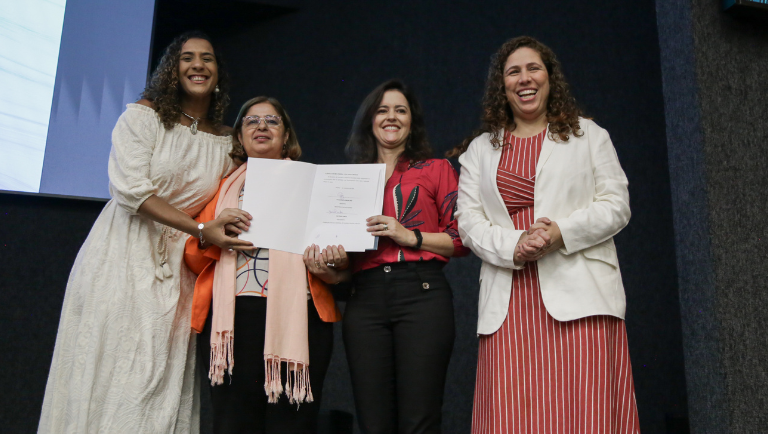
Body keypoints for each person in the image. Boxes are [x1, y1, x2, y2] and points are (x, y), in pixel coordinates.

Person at [38, 31, 248, 433]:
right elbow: (131, 190)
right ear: (172, 69)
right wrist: (201, 229)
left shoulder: (225, 141)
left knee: (157, 375)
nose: (198, 65)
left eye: (207, 58)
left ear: (218, 73)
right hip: (121, 253)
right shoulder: (142, 116)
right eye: (187, 58)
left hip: (176, 268)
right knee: (110, 365)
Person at [449, 35, 640, 433]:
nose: (524, 78)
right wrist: (515, 245)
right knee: (511, 415)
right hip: (509, 301)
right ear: (501, 86)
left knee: (584, 414)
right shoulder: (481, 150)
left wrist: (561, 233)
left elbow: (616, 205)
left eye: (533, 68)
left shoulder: (589, 135)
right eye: (513, 71)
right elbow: (467, 220)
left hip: (582, 296)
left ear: (550, 78)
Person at [305, 79, 470, 434]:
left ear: (412, 121)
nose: (391, 117)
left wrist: (409, 235)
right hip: (364, 302)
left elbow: (462, 239)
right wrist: (332, 269)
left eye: (400, 110)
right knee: (373, 422)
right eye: (382, 110)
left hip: (422, 296)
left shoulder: (437, 169)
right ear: (369, 120)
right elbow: (347, 266)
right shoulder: (347, 181)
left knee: (419, 421)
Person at [184, 96, 341, 434]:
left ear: (286, 136)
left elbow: (341, 261)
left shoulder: (317, 184)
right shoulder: (220, 190)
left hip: (301, 316)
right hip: (235, 317)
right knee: (234, 422)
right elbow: (194, 259)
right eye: (251, 121)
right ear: (239, 137)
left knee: (293, 423)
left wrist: (333, 261)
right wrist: (211, 233)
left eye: (272, 120)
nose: (262, 126)